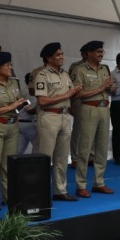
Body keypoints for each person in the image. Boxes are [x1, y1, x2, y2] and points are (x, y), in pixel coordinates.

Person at [34, 42, 82, 202]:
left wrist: (75, 92)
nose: (62, 57)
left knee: (62, 157)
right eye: (58, 55)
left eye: (62, 54)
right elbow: (42, 101)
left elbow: (70, 94)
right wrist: (67, 95)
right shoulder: (42, 75)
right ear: (49, 58)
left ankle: (60, 190)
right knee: (45, 157)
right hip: (49, 117)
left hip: (65, 116)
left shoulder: (65, 74)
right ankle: (40, 192)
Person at [70, 40, 114, 197]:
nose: (101, 54)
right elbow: (77, 93)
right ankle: (81, 185)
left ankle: (99, 182)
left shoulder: (105, 68)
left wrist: (111, 87)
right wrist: (101, 88)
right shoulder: (79, 70)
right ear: (88, 53)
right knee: (85, 149)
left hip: (104, 108)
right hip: (88, 108)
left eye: (102, 51)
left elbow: (111, 90)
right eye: (98, 52)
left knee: (102, 148)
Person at [0, 51, 28, 211]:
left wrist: (21, 106)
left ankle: (9, 196)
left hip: (13, 126)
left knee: (9, 165)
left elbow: (18, 104)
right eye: (7, 65)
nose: (11, 67)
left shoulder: (15, 82)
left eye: (11, 64)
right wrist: (10, 107)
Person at [67, 46, 88, 169]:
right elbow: (70, 86)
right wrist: (70, 103)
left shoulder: (99, 67)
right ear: (83, 54)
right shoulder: (75, 66)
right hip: (79, 100)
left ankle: (89, 156)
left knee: (90, 131)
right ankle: (74, 157)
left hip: (92, 102)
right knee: (77, 131)